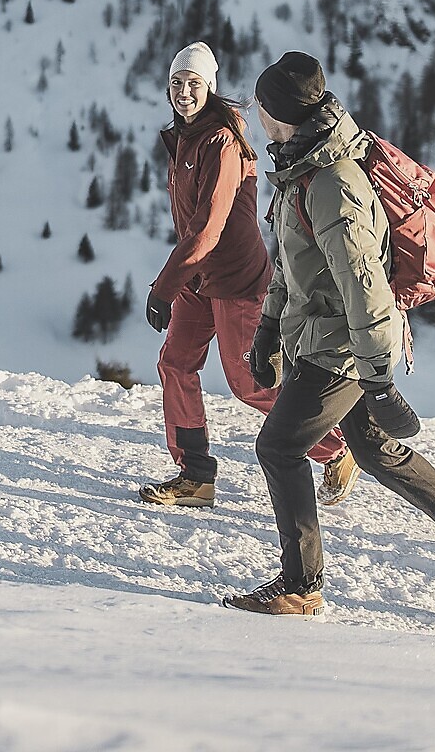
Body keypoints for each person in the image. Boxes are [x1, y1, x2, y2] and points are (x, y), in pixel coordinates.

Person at [222, 51, 435, 624]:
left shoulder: (332, 183)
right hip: (325, 337)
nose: (257, 115)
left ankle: (301, 585)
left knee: (279, 448)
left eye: (261, 105)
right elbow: (292, 266)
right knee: (374, 450)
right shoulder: (301, 167)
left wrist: (379, 379)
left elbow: (364, 289)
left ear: (276, 112)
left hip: (340, 348)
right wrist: (268, 328)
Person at [138, 42, 352, 508]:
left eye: (193, 83)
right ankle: (195, 475)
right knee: (175, 363)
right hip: (198, 279)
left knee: (250, 382)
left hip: (236, 280)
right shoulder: (185, 136)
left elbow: (207, 228)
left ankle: (335, 446)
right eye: (176, 83)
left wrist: (164, 287)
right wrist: (179, 281)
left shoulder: (221, 142)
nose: (183, 92)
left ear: (210, 87)